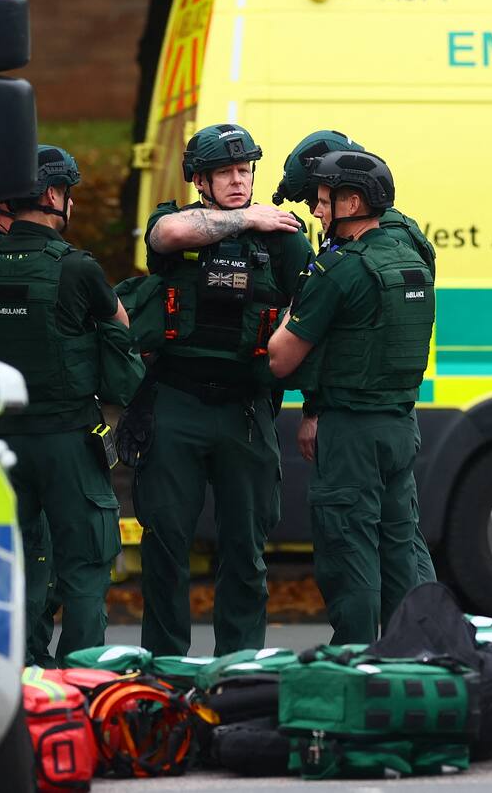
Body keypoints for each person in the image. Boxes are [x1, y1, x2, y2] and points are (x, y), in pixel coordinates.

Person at [0, 144, 139, 664]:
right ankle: (81, 677)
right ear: (52, 195)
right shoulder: (77, 269)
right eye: (66, 193)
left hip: (1, 442)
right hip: (69, 439)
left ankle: (21, 674)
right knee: (86, 563)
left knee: (15, 560)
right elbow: (120, 331)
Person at [131, 123, 314, 656]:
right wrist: (244, 218)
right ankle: (166, 668)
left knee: (246, 550)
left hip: (245, 410)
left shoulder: (283, 237)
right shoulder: (175, 222)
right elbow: (165, 239)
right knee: (165, 544)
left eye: (245, 171)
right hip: (176, 402)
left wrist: (313, 408)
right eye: (225, 173)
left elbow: (313, 316)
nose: (238, 181)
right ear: (200, 181)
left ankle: (240, 667)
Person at [268, 149, 436, 644]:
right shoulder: (413, 257)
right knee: (400, 552)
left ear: (354, 201)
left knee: (351, 558)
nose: (317, 212)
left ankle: (356, 666)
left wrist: (290, 307)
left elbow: (281, 358)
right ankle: (416, 661)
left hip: (350, 435)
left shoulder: (341, 270)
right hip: (400, 427)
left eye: (324, 202)